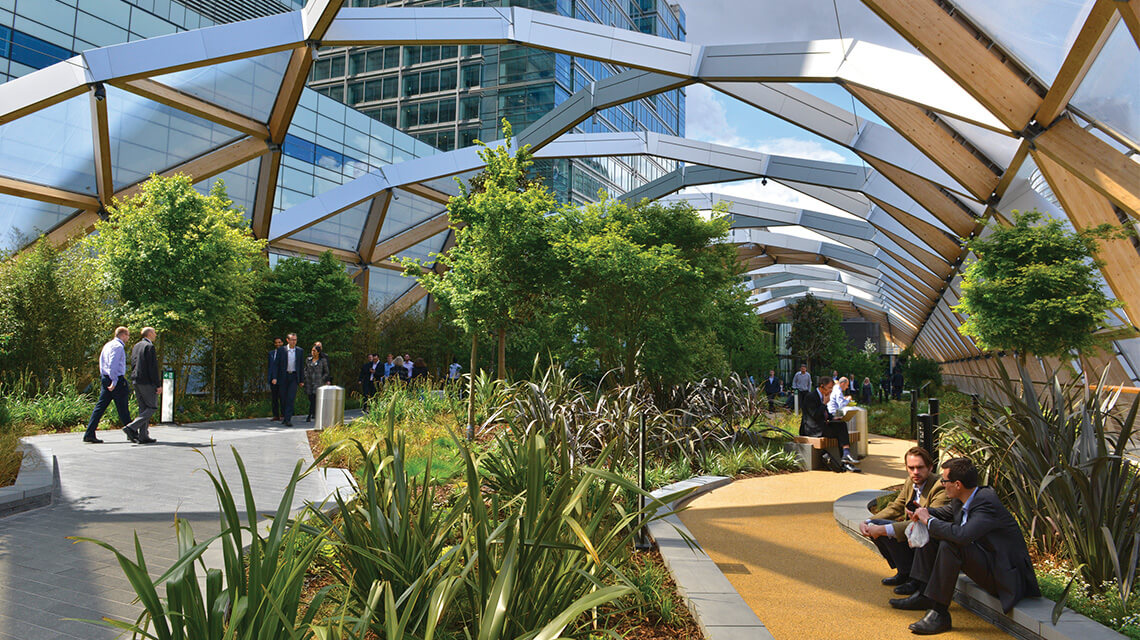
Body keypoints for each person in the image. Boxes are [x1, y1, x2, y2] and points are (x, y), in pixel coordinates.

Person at [891, 457, 1040, 635]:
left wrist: (928, 520)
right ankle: (923, 594)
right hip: (987, 561)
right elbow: (943, 514)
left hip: (1004, 575)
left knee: (951, 544)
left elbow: (962, 536)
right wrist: (923, 512)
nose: (942, 484)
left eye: (944, 481)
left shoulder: (986, 504)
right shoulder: (963, 498)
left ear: (958, 484)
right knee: (934, 532)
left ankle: (940, 614)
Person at [860, 447, 948, 594]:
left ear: (930, 467)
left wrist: (881, 529)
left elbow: (930, 522)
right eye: (911, 468)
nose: (915, 472)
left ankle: (916, 580)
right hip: (914, 534)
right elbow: (896, 507)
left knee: (882, 529)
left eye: (920, 467)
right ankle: (904, 572)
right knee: (873, 526)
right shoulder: (910, 481)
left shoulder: (940, 487)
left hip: (932, 540)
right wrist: (868, 521)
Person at [83, 327, 134, 444]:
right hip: (115, 380)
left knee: (100, 408)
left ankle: (89, 433)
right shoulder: (118, 347)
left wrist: (107, 379)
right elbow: (113, 365)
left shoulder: (108, 345)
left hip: (106, 378)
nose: (128, 338)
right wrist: (114, 381)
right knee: (123, 408)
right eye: (128, 335)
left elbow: (103, 363)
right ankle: (132, 432)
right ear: (123, 335)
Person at [799, 376, 860, 472]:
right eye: (829, 388)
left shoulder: (824, 396)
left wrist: (834, 418)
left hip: (821, 425)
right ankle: (845, 461)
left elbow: (825, 414)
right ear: (821, 387)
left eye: (832, 388)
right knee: (840, 431)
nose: (831, 391)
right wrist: (824, 403)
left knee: (841, 424)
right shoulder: (810, 396)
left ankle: (846, 455)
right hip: (811, 429)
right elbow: (815, 415)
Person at [123, 327, 160, 444]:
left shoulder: (136, 346)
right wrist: (157, 384)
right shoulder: (149, 347)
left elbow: (134, 363)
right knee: (152, 407)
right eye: (154, 332)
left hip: (136, 380)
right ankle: (131, 427)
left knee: (143, 408)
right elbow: (152, 367)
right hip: (146, 382)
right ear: (149, 334)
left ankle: (143, 435)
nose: (155, 335)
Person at [272, 333, 305, 426]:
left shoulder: (299, 351)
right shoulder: (281, 350)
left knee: (291, 398)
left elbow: (301, 366)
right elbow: (276, 365)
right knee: (283, 398)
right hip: (283, 376)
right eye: (292, 340)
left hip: (293, 377)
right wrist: (274, 377)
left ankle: (288, 419)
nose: (294, 341)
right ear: (287, 340)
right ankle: (285, 416)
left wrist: (301, 380)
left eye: (295, 340)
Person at [303, 344, 329, 423]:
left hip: (318, 383)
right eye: (312, 351)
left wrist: (322, 379)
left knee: (315, 399)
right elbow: (305, 369)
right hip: (309, 382)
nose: (312, 352)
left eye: (314, 351)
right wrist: (305, 376)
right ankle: (314, 412)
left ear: (318, 352)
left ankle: (310, 415)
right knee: (311, 398)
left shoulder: (322, 361)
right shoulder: (308, 360)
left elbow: (326, 372)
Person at [267, 337, 283, 421]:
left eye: (279, 342)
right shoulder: (271, 353)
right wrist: (271, 377)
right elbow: (270, 366)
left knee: (283, 397)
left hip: (282, 379)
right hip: (272, 379)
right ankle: (276, 415)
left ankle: (284, 414)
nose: (278, 344)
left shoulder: (285, 353)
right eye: (276, 343)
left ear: (282, 343)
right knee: (274, 398)